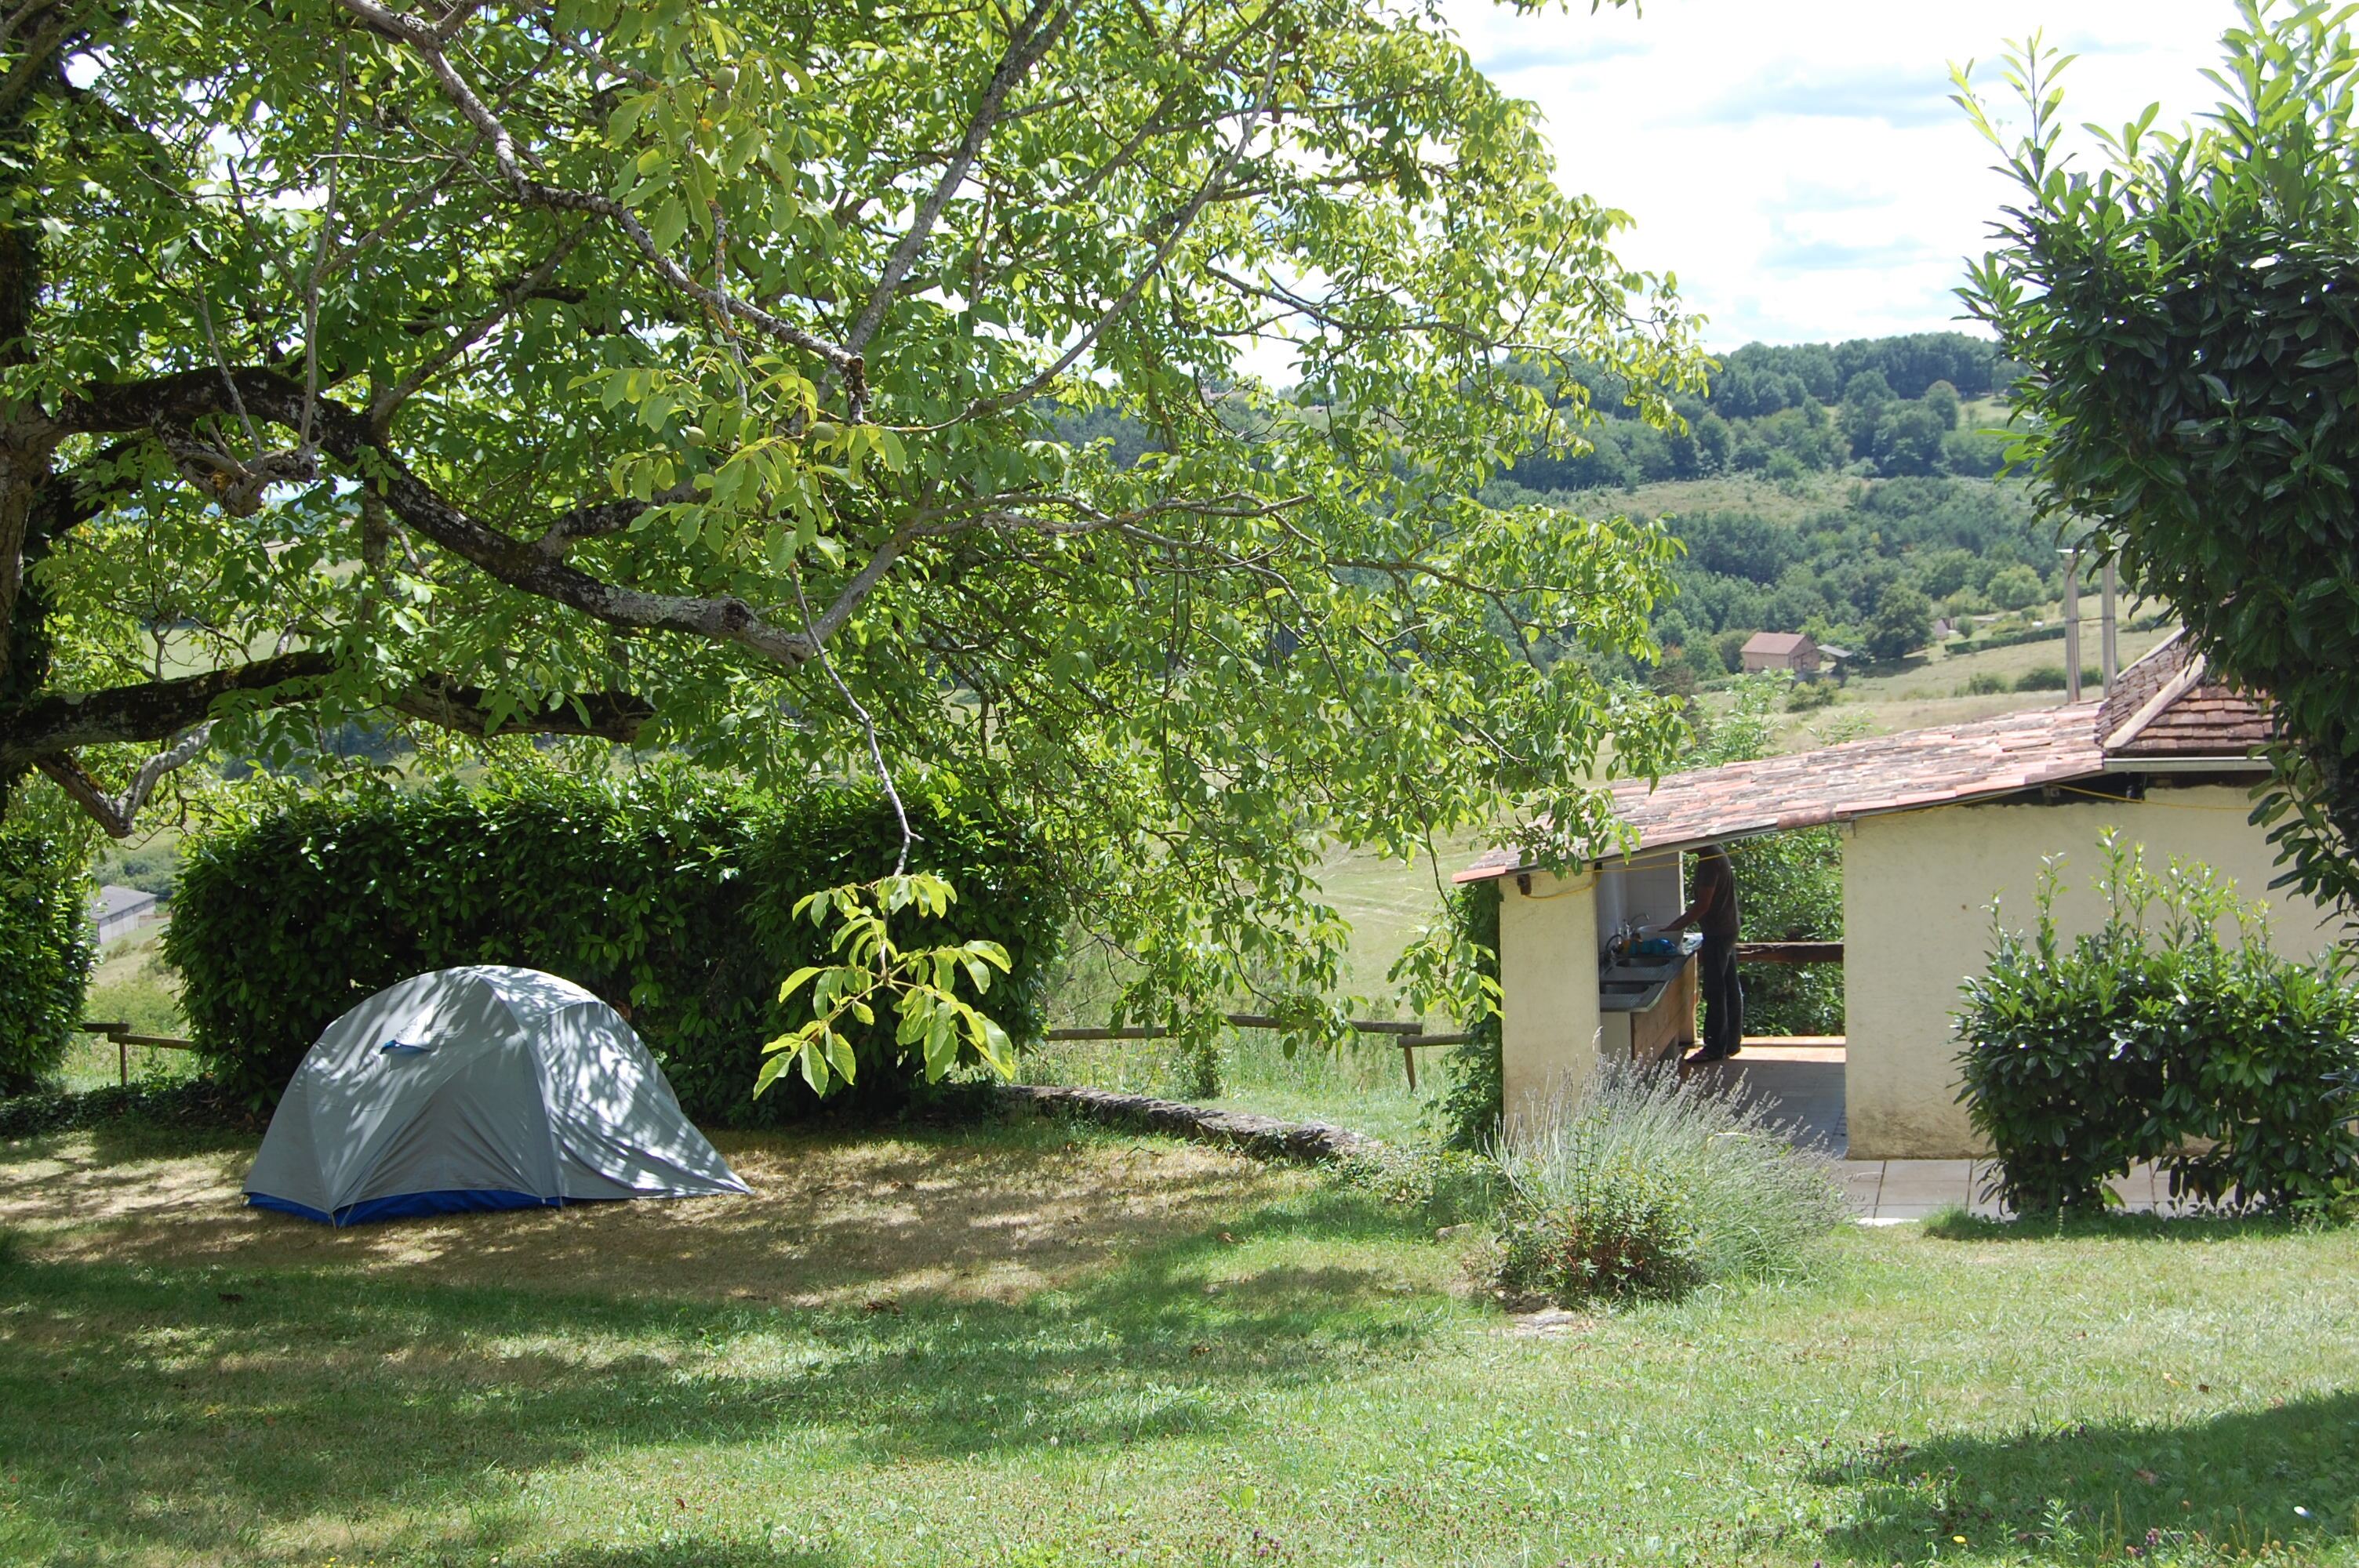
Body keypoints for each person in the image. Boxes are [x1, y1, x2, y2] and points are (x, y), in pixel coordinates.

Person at [1664, 841, 1743, 1063]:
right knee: (1729, 986)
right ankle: (1731, 1042)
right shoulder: (1715, 852)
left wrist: (1673, 929)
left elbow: (1703, 904)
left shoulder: (1709, 859)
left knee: (1715, 990)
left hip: (1718, 932)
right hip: (1727, 928)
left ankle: (1715, 1048)